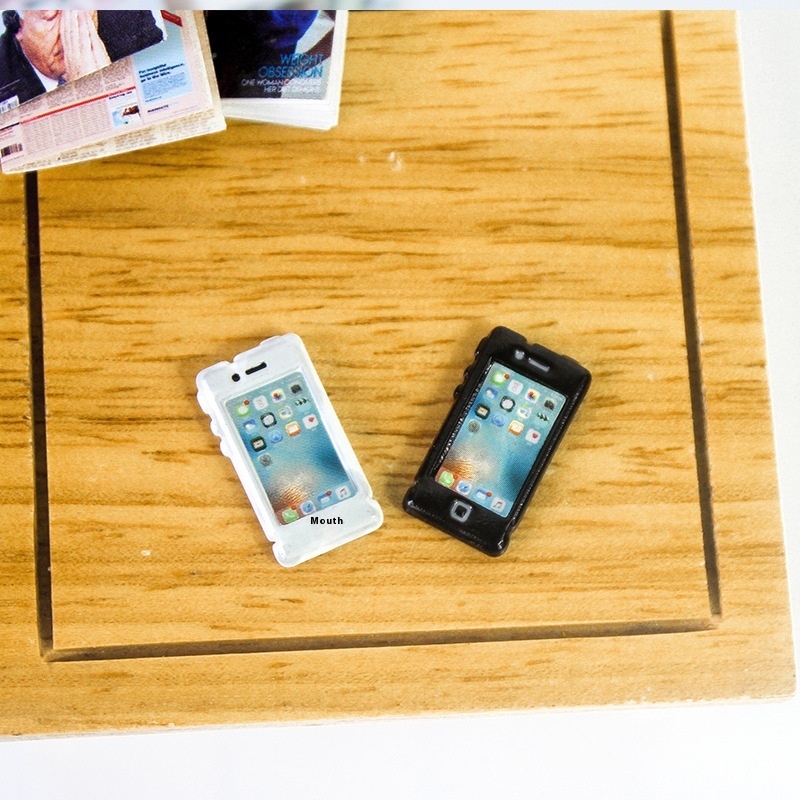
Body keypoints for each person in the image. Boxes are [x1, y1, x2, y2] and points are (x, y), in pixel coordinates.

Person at [0, 10, 163, 107]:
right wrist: (83, 93)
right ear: (17, 27)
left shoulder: (131, 19)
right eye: (51, 17)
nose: (70, 30)